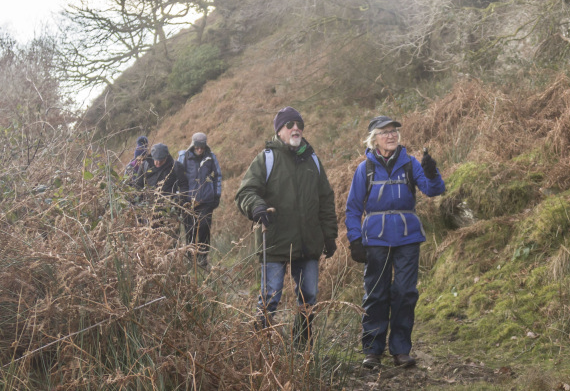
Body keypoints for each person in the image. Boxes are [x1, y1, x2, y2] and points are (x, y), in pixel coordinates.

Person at [344, 115, 446, 370]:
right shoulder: (364, 169)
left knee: (405, 292)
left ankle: (401, 350)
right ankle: (373, 351)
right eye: (385, 132)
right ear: (373, 139)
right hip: (375, 240)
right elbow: (353, 209)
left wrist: (432, 173)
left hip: (407, 238)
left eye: (394, 131)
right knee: (376, 294)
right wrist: (355, 240)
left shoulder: (411, 163)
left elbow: (434, 190)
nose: (391, 135)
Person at [235, 106, 338, 348]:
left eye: (298, 125)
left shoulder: (313, 159)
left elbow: (326, 199)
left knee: (308, 298)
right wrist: (257, 207)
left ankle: (302, 349)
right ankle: (260, 349)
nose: (295, 128)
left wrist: (329, 235)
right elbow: (245, 192)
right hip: (274, 241)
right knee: (270, 298)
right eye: (289, 125)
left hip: (308, 243)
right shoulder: (266, 159)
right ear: (279, 131)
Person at [178, 132, 222, 269]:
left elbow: (217, 177)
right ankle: (191, 261)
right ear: (193, 145)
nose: (199, 149)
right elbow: (178, 178)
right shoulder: (184, 157)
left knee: (204, 228)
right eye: (197, 147)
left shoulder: (211, 157)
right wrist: (180, 198)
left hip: (206, 201)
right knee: (190, 231)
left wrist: (217, 195)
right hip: (188, 202)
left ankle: (203, 259)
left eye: (202, 147)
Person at [133, 143, 190, 240]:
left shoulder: (175, 167)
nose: (158, 163)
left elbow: (184, 187)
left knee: (171, 242)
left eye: (161, 161)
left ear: (166, 157)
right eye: (156, 160)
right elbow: (138, 186)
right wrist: (138, 203)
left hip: (170, 213)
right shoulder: (145, 166)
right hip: (150, 212)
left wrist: (177, 201)